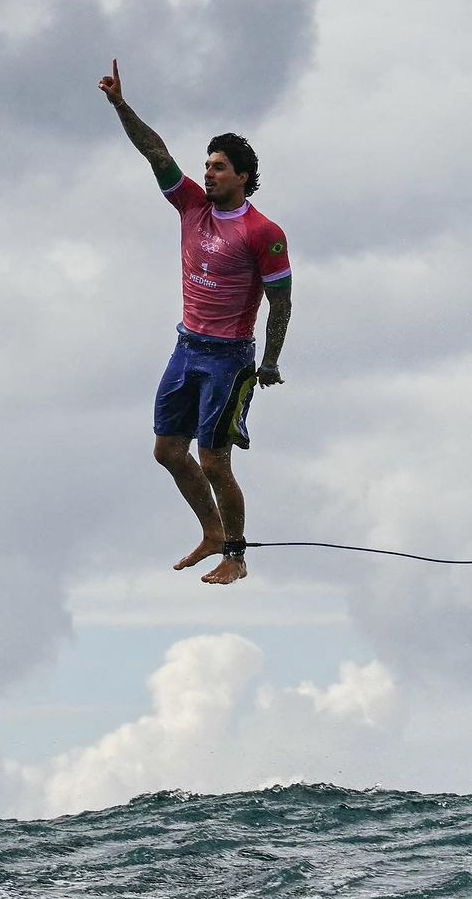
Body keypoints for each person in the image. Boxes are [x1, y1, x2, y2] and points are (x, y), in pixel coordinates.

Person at [97, 59, 292, 585]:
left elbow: (281, 301)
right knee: (167, 450)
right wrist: (119, 105)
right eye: (206, 165)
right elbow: (155, 151)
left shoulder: (263, 232)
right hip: (187, 347)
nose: (207, 173)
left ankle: (236, 554)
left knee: (214, 461)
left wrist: (269, 361)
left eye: (219, 167)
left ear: (243, 177)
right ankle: (210, 531)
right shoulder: (190, 206)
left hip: (229, 359)